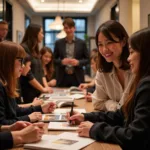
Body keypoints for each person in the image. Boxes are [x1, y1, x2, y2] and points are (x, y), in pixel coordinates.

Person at [67, 27, 150, 150]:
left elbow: (134, 136)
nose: (128, 58)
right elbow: (121, 114)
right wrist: (85, 116)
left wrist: (94, 129)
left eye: (132, 52)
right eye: (100, 44)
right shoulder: (142, 80)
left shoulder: (146, 85)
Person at [0, 41, 56, 125]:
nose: (23, 66)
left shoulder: (6, 83)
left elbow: (16, 110)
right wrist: (29, 118)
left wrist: (41, 108)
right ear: (8, 61)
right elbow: (2, 123)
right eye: (20, 60)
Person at [92, 20, 134, 111]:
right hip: (116, 122)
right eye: (100, 45)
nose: (104, 49)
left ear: (123, 41)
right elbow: (97, 102)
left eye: (109, 43)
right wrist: (115, 106)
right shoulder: (102, 71)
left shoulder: (135, 67)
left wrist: (109, 103)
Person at [21, 24, 53, 103]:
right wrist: (42, 89)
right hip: (29, 92)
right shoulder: (24, 48)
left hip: (38, 91)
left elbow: (41, 72)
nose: (43, 36)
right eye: (41, 33)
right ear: (35, 34)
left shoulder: (35, 49)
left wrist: (46, 87)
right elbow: (28, 74)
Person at [54, 17, 89, 87]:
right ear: (63, 29)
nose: (68, 30)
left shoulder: (82, 43)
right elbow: (53, 60)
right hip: (62, 77)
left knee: (79, 97)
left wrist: (78, 62)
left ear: (74, 28)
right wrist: (61, 62)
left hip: (77, 77)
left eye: (70, 28)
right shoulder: (58, 43)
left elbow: (88, 60)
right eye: (66, 28)